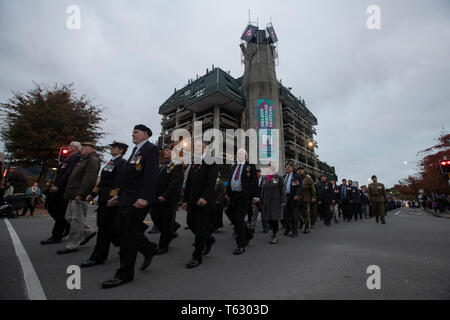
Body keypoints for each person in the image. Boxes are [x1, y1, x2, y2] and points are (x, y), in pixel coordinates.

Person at [102, 125, 159, 289]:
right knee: (120, 230)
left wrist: (143, 197)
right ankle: (148, 249)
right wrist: (118, 196)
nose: (133, 134)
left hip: (138, 199)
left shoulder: (150, 149)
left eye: (136, 132)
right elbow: (128, 179)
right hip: (126, 198)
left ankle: (125, 273)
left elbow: (150, 174)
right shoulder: (135, 151)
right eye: (133, 132)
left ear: (145, 134)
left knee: (127, 235)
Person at [80, 141, 128, 268]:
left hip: (110, 200)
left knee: (104, 229)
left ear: (121, 150)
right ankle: (126, 246)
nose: (111, 149)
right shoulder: (110, 163)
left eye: (114, 147)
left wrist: (113, 197)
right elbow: (102, 181)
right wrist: (93, 194)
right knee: (107, 228)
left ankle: (98, 257)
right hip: (103, 198)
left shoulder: (122, 163)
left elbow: (119, 182)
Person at [57, 142, 101, 254]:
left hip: (79, 194)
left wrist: (81, 194)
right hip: (73, 193)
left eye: (84, 148)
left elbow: (89, 179)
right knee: (69, 217)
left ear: (90, 149)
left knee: (76, 219)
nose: (81, 150)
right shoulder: (84, 159)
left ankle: (73, 244)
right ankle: (88, 231)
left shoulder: (93, 160)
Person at [181, 140, 218, 268]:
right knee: (191, 223)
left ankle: (197, 256)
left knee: (200, 227)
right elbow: (189, 183)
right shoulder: (194, 162)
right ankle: (208, 239)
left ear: (204, 148)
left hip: (203, 201)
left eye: (197, 147)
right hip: (192, 200)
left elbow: (211, 182)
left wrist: (204, 197)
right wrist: (185, 200)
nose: (195, 149)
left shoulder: (211, 160)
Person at [41, 142, 81, 245]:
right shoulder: (67, 158)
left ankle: (56, 235)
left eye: (71, 146)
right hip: (58, 187)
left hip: (63, 189)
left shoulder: (76, 157)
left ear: (76, 148)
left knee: (59, 211)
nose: (69, 147)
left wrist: (58, 186)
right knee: (52, 208)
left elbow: (68, 174)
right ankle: (66, 225)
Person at [151, 144, 183, 255]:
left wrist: (165, 195)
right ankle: (171, 230)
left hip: (168, 198)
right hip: (158, 196)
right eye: (165, 150)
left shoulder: (177, 164)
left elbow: (175, 183)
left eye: (168, 150)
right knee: (155, 216)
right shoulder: (165, 164)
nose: (165, 152)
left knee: (165, 221)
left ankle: (163, 245)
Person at [226, 148, 258, 255]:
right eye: (237, 154)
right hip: (234, 195)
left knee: (239, 219)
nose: (238, 156)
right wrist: (228, 192)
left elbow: (254, 181)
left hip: (244, 196)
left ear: (245, 156)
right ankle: (248, 234)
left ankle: (241, 244)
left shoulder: (250, 166)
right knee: (231, 214)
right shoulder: (234, 166)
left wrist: (255, 196)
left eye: (241, 154)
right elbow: (231, 179)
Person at [260, 162, 286, 244]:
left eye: (270, 168)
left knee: (274, 219)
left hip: (276, 202)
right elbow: (262, 190)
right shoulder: (264, 178)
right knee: (268, 219)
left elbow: (282, 190)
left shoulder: (278, 178)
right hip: (266, 202)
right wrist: (261, 200)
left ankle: (275, 235)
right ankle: (273, 232)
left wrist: (283, 200)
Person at [282, 162, 302, 237]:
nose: (287, 168)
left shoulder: (296, 176)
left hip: (293, 197)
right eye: (286, 167)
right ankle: (288, 228)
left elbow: (299, 187)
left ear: (292, 168)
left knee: (294, 215)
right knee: (285, 215)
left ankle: (294, 231)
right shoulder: (283, 177)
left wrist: (297, 195)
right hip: (285, 197)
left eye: (289, 167)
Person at [249, 169, 268, 233]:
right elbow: (250, 190)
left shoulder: (265, 180)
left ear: (261, 173)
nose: (257, 174)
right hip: (254, 200)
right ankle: (252, 228)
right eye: (256, 173)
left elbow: (267, 191)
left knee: (263, 215)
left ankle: (265, 227)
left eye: (258, 172)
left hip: (262, 200)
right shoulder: (252, 180)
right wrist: (252, 199)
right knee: (254, 214)